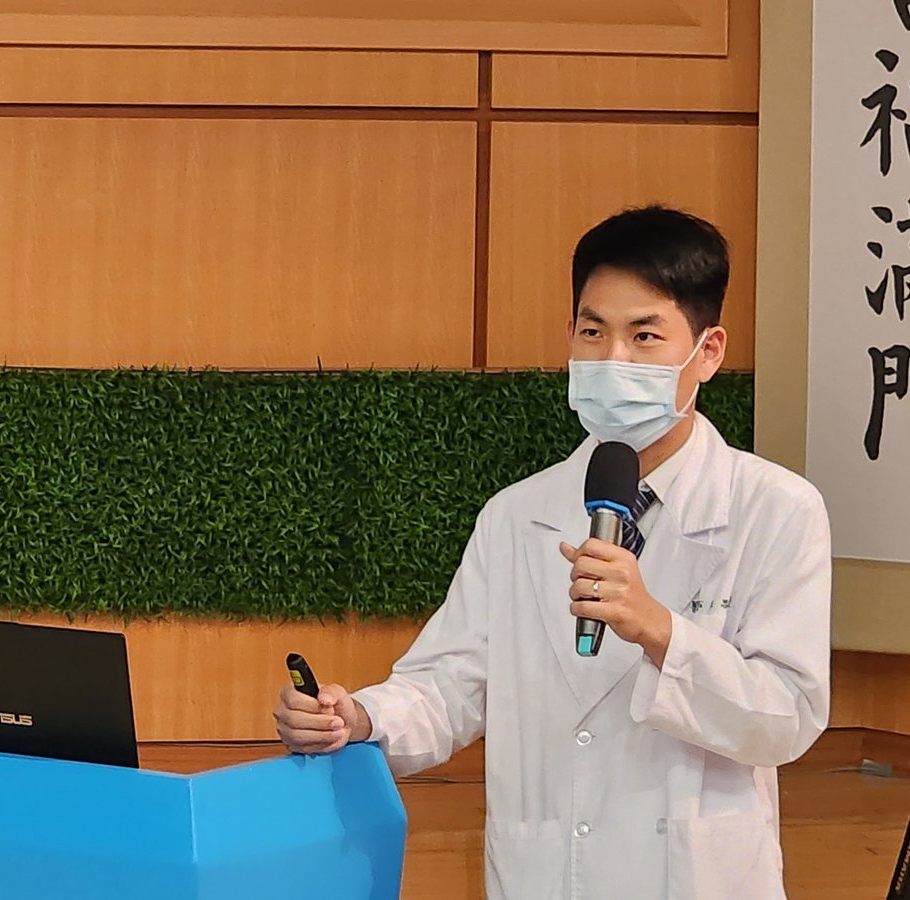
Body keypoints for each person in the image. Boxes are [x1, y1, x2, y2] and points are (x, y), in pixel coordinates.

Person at [274, 205, 832, 899]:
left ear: (708, 351)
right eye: (593, 332)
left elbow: (787, 718)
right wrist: (358, 717)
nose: (613, 359)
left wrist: (659, 630)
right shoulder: (517, 514)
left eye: (644, 335)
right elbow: (449, 684)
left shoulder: (774, 509)